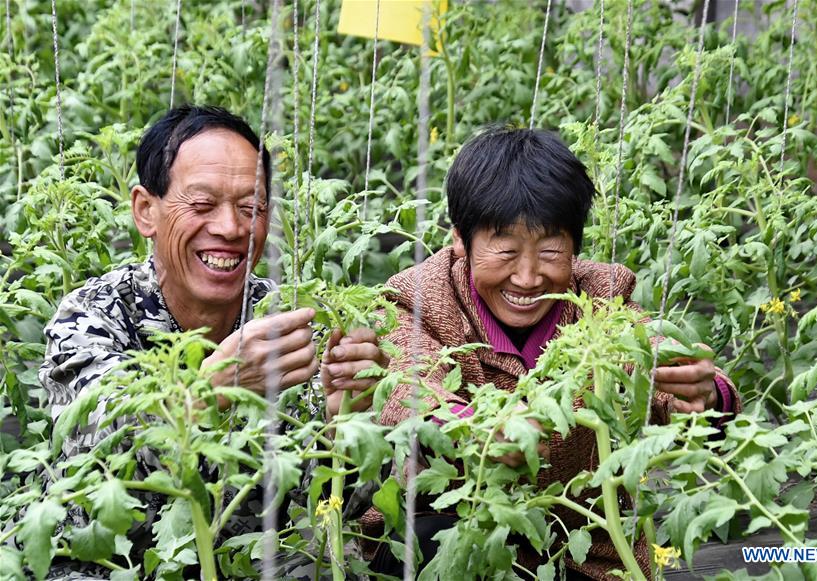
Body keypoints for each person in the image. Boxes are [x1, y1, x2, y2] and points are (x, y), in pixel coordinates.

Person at [363, 126, 741, 579]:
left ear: (575, 247)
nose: (527, 276)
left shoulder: (602, 297)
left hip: (582, 555)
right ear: (461, 239)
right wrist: (475, 431)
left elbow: (649, 352)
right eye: (505, 250)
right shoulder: (419, 299)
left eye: (549, 250)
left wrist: (701, 392)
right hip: (458, 538)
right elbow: (408, 387)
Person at [39, 105, 386, 578]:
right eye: (202, 205)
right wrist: (207, 393)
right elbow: (101, 447)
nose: (230, 228)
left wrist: (346, 423)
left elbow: (323, 513)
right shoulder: (93, 315)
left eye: (251, 207)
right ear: (146, 210)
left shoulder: (289, 323)